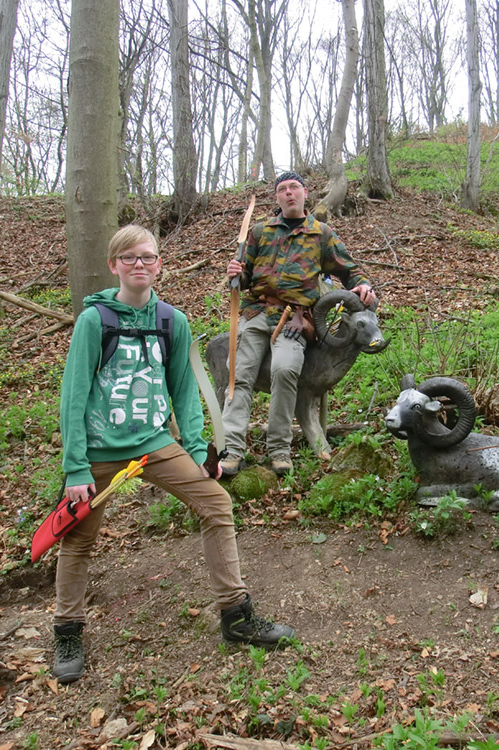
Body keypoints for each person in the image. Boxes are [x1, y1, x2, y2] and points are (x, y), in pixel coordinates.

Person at [52, 225, 294, 684]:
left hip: (155, 443)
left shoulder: (171, 321)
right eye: (129, 258)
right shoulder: (94, 321)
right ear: (113, 265)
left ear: (159, 264)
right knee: (78, 537)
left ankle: (236, 617)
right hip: (100, 448)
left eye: (147, 256)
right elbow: (74, 395)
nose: (138, 264)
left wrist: (199, 448)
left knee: (216, 504)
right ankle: (67, 631)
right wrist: (76, 467)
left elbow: (183, 389)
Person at [220, 171, 377, 477]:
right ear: (277, 197)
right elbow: (244, 277)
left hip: (295, 318)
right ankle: (232, 449)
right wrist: (235, 274)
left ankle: (279, 449)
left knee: (285, 370)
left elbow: (350, 271)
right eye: (282, 189)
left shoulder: (321, 234)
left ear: (305, 193)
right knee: (238, 373)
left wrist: (363, 286)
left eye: (294, 187)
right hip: (255, 314)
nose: (289, 193)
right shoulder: (261, 231)